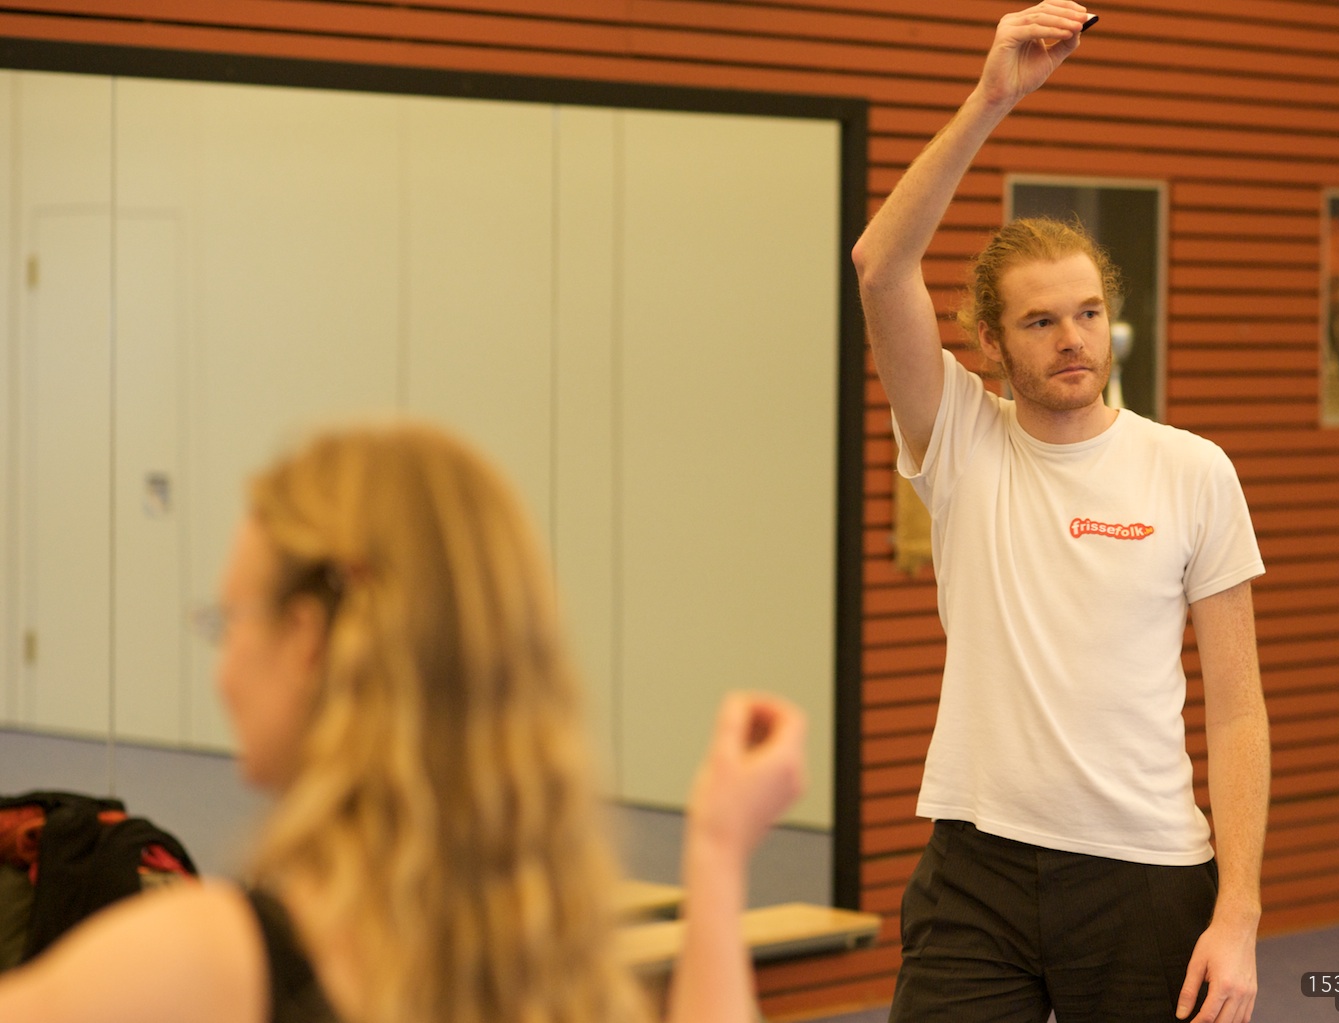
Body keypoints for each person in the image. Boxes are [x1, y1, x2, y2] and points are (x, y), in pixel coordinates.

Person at [0, 422, 807, 1023]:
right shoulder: (545, 963)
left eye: (229, 620)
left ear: (306, 640)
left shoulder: (210, 958)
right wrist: (715, 855)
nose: (223, 665)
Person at [850, 5, 1270, 1023]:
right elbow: (879, 265)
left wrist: (1239, 914)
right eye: (1039, 321)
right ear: (990, 345)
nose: (1072, 338)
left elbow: (1237, 709)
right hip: (977, 871)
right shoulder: (961, 438)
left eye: (1087, 312)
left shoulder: (1192, 470)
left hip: (1147, 873)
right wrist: (991, 98)